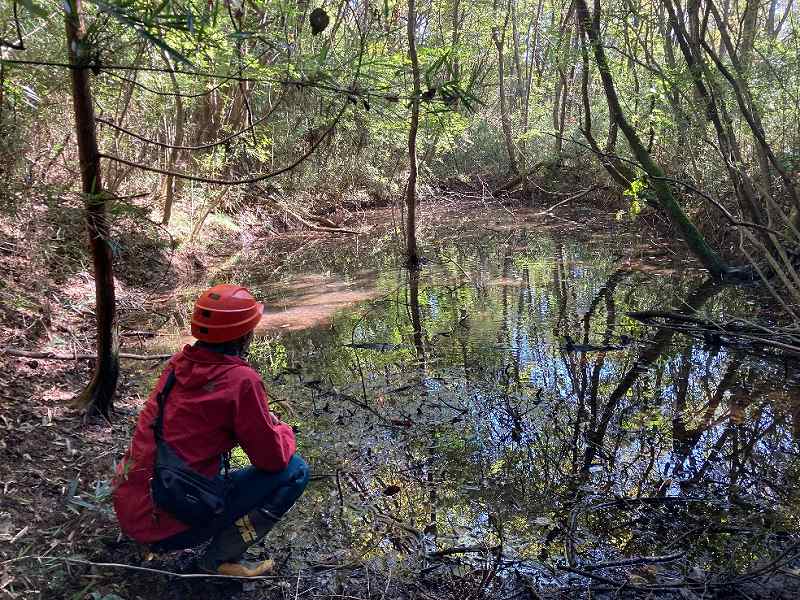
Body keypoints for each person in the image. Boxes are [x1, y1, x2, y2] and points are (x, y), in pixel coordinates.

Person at [113, 284, 309, 577]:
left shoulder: (177, 366)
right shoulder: (241, 381)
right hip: (164, 525)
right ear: (245, 335)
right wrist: (283, 429)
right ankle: (219, 559)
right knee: (295, 470)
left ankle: (163, 536)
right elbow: (273, 459)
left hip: (133, 508)